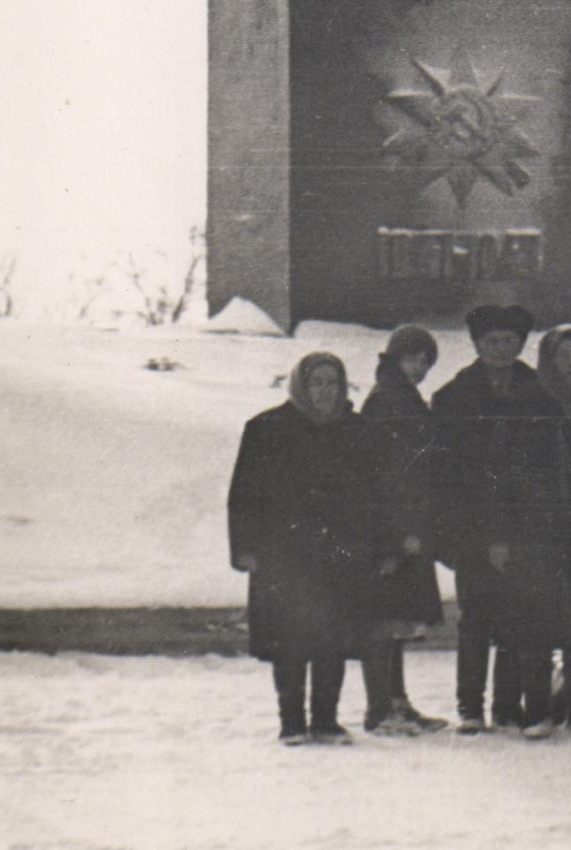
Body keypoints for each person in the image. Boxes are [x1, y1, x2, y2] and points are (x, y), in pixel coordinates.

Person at [485, 327, 571, 736]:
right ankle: (539, 711)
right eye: (563, 356)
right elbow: (500, 477)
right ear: (549, 360)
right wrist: (500, 536)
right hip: (536, 535)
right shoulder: (523, 410)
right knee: (536, 627)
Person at [228, 352, 372, 745]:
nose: (325, 392)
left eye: (333, 383)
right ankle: (291, 721)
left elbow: (373, 495)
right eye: (317, 383)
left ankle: (325, 719)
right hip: (283, 555)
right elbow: (244, 494)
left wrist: (374, 545)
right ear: (301, 386)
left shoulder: (357, 431)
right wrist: (245, 548)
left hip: (337, 553)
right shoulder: (266, 429)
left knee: (332, 637)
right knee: (288, 639)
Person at [429, 303, 544, 732]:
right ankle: (470, 706)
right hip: (472, 528)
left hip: (523, 527)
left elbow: (542, 468)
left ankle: (507, 705)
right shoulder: (454, 398)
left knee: (517, 618)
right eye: (492, 342)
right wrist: (456, 535)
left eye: (509, 342)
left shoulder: (537, 393)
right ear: (478, 345)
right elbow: (445, 476)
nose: (501, 349)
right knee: (476, 620)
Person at [355, 326, 448, 734]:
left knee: (394, 623)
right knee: (382, 623)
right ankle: (380, 709)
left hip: (405, 528)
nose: (420, 367)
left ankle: (396, 701)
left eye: (425, 360)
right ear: (395, 358)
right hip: (390, 531)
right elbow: (387, 475)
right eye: (413, 358)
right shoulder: (389, 401)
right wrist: (401, 532)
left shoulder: (399, 397)